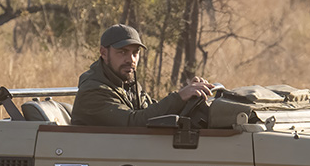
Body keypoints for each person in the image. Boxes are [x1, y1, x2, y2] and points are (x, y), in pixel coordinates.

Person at [71, 24, 216, 127]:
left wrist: (189, 97)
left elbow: (153, 113)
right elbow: (133, 122)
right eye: (122, 52)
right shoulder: (93, 91)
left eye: (135, 53)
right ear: (103, 53)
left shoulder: (127, 83)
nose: (131, 60)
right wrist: (179, 97)